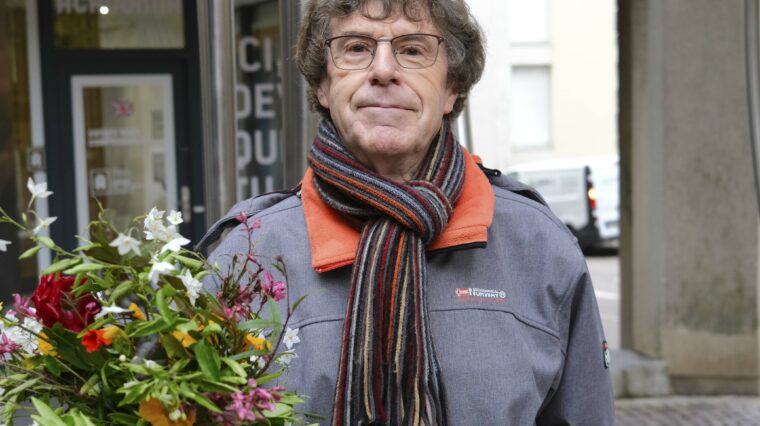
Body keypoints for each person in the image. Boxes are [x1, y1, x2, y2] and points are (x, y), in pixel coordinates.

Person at [199, 0, 614, 424]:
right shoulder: (247, 256)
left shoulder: (538, 247)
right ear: (323, 85)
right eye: (356, 48)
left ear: (452, 88)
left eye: (413, 50)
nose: (383, 70)